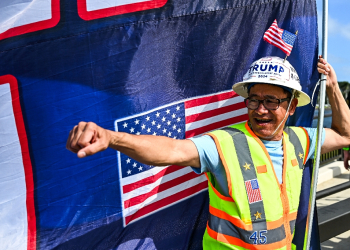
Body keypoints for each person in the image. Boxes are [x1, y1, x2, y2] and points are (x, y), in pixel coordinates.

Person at [66, 56, 350, 249]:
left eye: (271, 101)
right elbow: (171, 150)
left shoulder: (301, 140)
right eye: (254, 100)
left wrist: (334, 88)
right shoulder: (224, 143)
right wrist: (113, 138)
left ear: (291, 107)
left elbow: (346, 134)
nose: (260, 110)